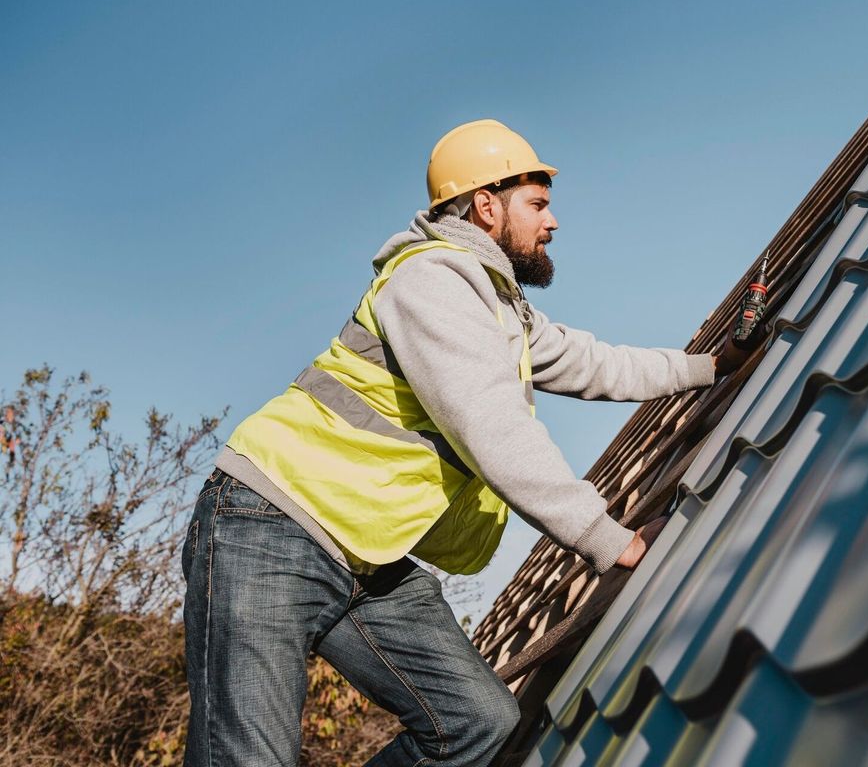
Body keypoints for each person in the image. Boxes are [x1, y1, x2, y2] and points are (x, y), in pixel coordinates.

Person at [180, 119, 749, 766]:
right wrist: (606, 539)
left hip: (366, 551)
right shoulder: (430, 282)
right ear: (486, 205)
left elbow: (593, 364)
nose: (552, 220)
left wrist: (711, 366)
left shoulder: (500, 310)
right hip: (271, 524)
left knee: (479, 722)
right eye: (537, 203)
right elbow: (492, 425)